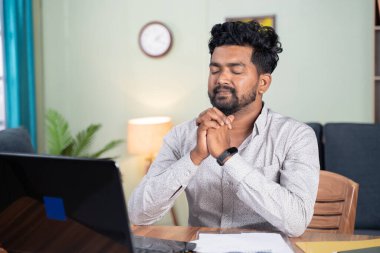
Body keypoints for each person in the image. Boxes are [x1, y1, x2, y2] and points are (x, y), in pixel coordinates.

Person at [128, 20, 319, 237]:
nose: (221, 79)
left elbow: (296, 222)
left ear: (263, 83)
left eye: (236, 71)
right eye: (215, 70)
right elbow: (137, 215)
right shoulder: (182, 135)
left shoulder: (296, 136)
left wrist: (228, 158)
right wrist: (194, 158)